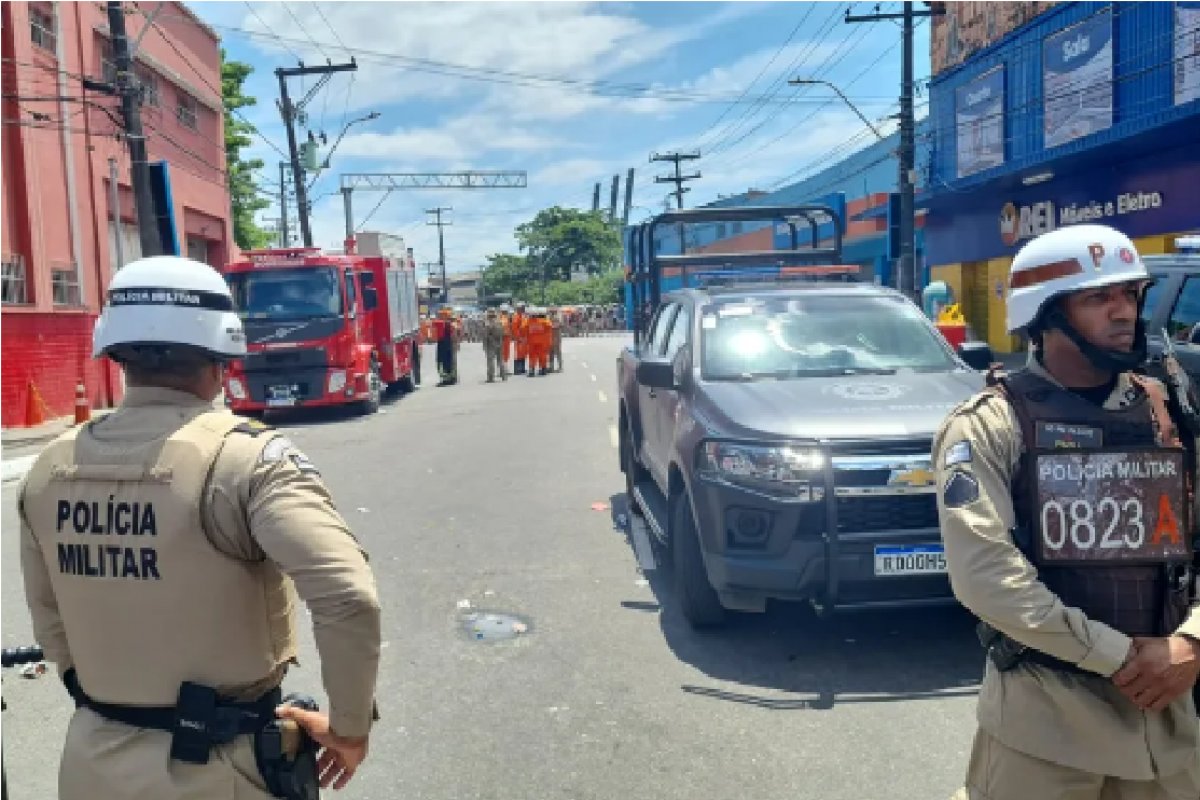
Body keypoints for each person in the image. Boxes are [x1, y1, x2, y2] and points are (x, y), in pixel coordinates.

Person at [17, 255, 382, 800]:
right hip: (219, 769)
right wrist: (350, 729)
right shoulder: (248, 460)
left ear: (114, 352)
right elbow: (348, 598)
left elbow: (50, 624)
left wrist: (108, 700)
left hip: (92, 761)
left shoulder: (48, 467)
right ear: (221, 355)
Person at [933, 225, 1200, 800]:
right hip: (1047, 735)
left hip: (1171, 735)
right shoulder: (988, 424)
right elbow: (987, 578)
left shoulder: (1170, 410)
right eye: (1097, 298)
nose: (1123, 311)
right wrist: (1124, 657)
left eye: (1130, 294)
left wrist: (1192, 642)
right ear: (1045, 315)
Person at [433, 307, 458, 385]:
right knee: (450, 362)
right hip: (449, 345)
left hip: (443, 345)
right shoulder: (451, 324)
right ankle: (452, 378)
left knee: (442, 362)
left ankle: (446, 379)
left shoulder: (442, 324)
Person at [482, 307, 507, 383]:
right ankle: (504, 376)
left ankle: (490, 377)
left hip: (491, 343)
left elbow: (485, 335)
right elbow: (503, 333)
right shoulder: (499, 322)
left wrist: (485, 345)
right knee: (500, 360)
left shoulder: (487, 323)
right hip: (499, 342)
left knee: (490, 361)